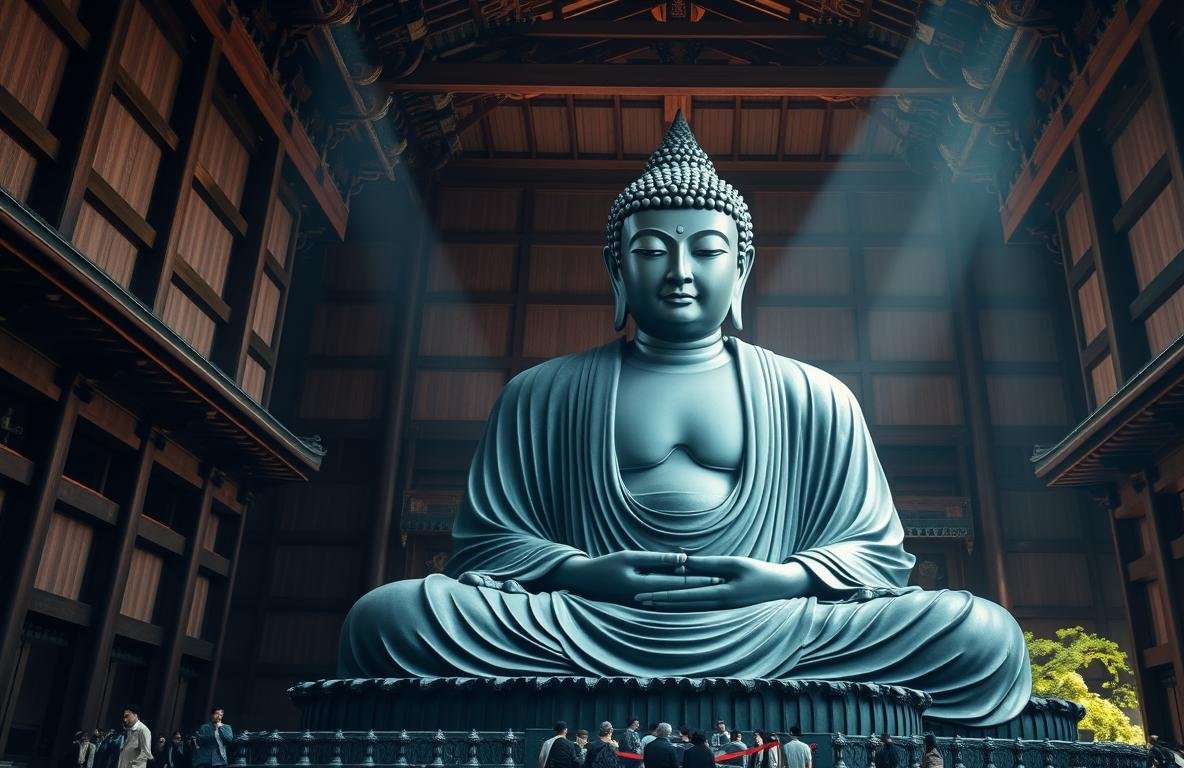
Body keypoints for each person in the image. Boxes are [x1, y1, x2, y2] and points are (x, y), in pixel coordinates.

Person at [335, 114, 1034, 729]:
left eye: (706, 250)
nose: (679, 270)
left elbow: (874, 552)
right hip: (587, 624)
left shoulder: (813, 395)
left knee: (980, 633)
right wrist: (581, 573)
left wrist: (786, 580)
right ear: (616, 268)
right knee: (390, 618)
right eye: (650, 251)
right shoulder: (541, 392)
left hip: (773, 626)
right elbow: (487, 549)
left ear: (744, 269)